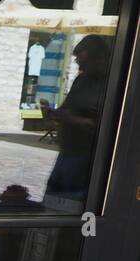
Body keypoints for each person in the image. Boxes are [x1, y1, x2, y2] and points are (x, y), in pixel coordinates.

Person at [42, 34, 111, 208]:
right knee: (52, 201)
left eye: (84, 61)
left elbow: (106, 126)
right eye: (78, 61)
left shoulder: (112, 86)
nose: (79, 65)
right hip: (66, 152)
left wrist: (73, 119)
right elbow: (67, 107)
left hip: (85, 157)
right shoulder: (82, 80)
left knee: (71, 205)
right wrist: (54, 113)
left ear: (100, 58)